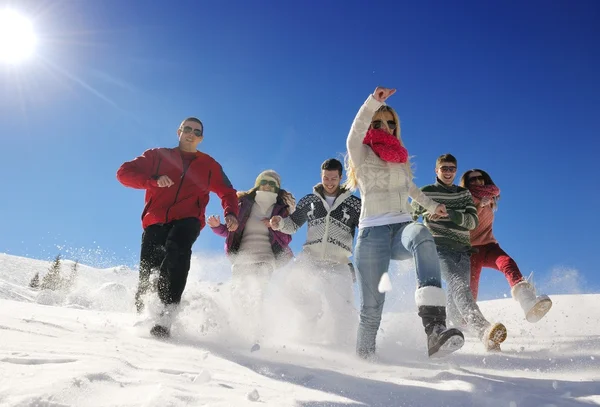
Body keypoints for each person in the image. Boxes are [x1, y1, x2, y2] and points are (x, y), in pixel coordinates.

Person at [345, 87, 464, 359]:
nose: (384, 126)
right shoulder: (360, 153)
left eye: (390, 122)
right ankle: (364, 364)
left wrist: (434, 207)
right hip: (371, 236)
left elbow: (412, 190)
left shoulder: (400, 160)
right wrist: (373, 102)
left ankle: (434, 328)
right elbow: (354, 132)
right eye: (377, 122)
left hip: (401, 228)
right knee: (372, 310)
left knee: (421, 233)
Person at [117, 117, 239, 338]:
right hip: (155, 220)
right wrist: (153, 180)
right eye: (187, 129)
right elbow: (123, 173)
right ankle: (142, 314)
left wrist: (230, 212)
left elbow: (228, 192)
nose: (191, 133)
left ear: (201, 138)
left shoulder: (209, 165)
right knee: (149, 271)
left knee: (177, 251)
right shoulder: (157, 156)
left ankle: (165, 317)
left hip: (188, 218)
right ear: (179, 132)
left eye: (196, 131)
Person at [412, 154, 507, 351]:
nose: (448, 172)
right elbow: (409, 217)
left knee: (457, 299)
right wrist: (425, 214)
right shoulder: (426, 192)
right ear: (436, 170)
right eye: (444, 168)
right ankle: (484, 330)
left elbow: (472, 222)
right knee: (459, 285)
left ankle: (451, 337)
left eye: (451, 169)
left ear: (455, 171)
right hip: (438, 247)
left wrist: (449, 213)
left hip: (463, 250)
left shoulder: (463, 195)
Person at [269, 158, 361, 345]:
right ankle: (312, 310)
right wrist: (280, 223)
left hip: (339, 262)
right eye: (326, 178)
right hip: (310, 258)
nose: (329, 182)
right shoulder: (310, 201)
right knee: (291, 288)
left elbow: (368, 227)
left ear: (341, 177)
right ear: (321, 176)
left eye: (333, 178)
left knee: (343, 307)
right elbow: (293, 224)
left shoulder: (354, 204)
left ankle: (344, 346)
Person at [207, 169, 295, 344]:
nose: (268, 186)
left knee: (257, 292)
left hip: (266, 258)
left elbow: (287, 238)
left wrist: (273, 226)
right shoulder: (244, 204)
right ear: (257, 185)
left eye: (272, 184)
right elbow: (230, 231)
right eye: (265, 182)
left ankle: (255, 333)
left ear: (277, 189)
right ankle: (238, 331)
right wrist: (217, 226)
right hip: (243, 258)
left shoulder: (281, 210)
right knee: (239, 293)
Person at [459, 169, 552, 322]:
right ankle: (468, 322)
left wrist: (484, 203)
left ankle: (528, 302)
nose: (477, 182)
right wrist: (478, 206)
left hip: (489, 246)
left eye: (480, 178)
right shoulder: (464, 198)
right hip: (471, 251)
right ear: (467, 184)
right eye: (472, 180)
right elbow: (466, 223)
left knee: (508, 263)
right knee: (471, 289)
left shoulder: (489, 197)